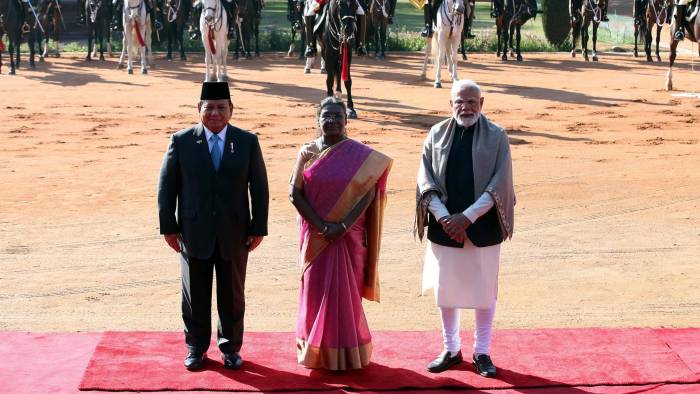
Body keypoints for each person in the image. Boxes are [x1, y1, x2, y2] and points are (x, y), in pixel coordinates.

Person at [157, 82, 269, 371]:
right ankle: (196, 347)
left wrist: (258, 227)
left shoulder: (247, 142)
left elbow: (259, 188)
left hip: (235, 233)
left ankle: (230, 348)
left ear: (231, 110)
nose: (215, 113)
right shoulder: (180, 141)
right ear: (199, 110)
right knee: (194, 295)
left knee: (232, 296)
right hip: (193, 233)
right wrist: (169, 227)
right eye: (209, 107)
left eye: (221, 107)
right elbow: (167, 187)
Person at [415, 79, 515, 378]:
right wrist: (445, 217)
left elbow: (500, 184)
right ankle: (451, 348)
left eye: (472, 101)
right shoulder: (435, 134)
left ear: (481, 104)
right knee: (447, 290)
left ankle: (482, 351)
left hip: (483, 227)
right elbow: (425, 179)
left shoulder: (497, 137)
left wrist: (467, 217)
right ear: (451, 104)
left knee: (485, 291)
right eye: (460, 101)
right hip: (445, 227)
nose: (465, 107)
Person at [289, 97, 392, 371]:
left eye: (337, 116)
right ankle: (316, 353)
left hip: (349, 236)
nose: (332, 120)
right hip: (315, 235)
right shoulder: (307, 153)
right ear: (318, 119)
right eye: (327, 116)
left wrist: (343, 225)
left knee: (345, 294)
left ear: (346, 121)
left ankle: (347, 354)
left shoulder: (359, 155)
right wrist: (323, 227)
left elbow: (369, 192)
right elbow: (293, 193)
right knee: (314, 291)